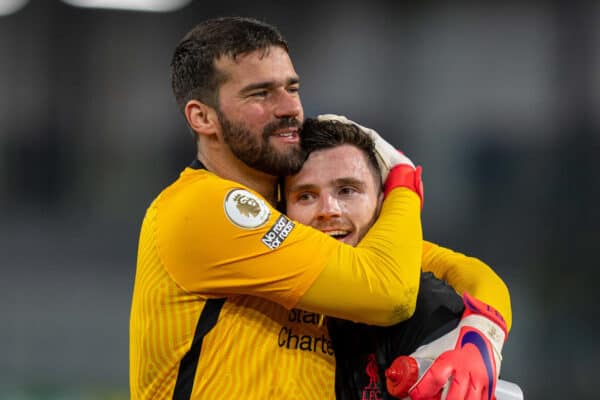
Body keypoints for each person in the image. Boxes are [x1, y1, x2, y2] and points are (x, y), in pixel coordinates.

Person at [129, 17, 509, 399]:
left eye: (291, 87)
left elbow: (465, 272)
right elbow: (389, 292)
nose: (289, 108)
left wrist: (481, 335)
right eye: (260, 94)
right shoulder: (202, 207)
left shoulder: (293, 218)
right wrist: (404, 182)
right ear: (202, 117)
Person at [284, 117, 510, 400]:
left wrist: (481, 334)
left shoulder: (423, 303)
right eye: (306, 196)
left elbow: (469, 272)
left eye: (347, 191)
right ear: (282, 211)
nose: (328, 210)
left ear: (381, 203)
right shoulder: (259, 284)